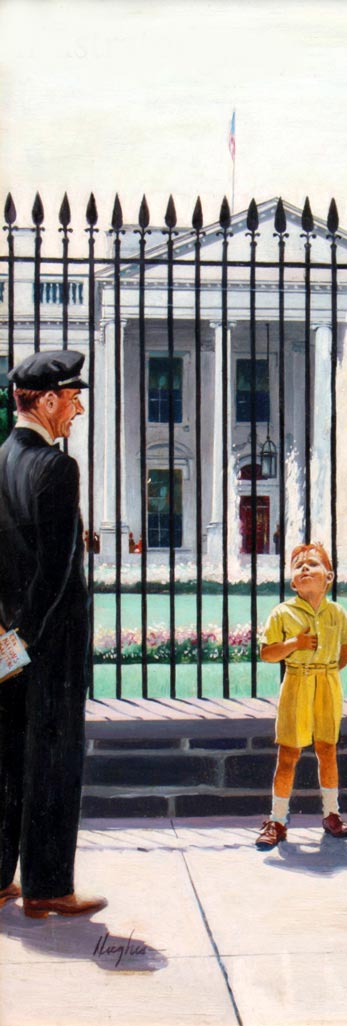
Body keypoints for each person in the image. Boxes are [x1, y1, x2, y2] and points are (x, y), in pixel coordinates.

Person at [0, 350, 107, 918]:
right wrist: (25, 640)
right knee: (54, 762)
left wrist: (4, 640)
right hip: (48, 646)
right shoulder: (57, 468)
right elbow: (54, 570)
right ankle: (47, 887)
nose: (78, 408)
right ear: (45, 401)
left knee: (8, 760)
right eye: (72, 398)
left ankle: (0, 877)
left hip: (5, 647)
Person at [255, 541, 347, 848]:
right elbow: (268, 653)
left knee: (328, 751)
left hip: (326, 685)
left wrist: (325, 674)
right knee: (289, 754)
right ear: (293, 581)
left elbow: (344, 653)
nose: (305, 568)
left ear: (329, 576)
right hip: (297, 683)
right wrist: (294, 645)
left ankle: (331, 813)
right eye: (299, 566)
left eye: (312, 563)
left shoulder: (337, 613)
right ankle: (278, 819)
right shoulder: (283, 613)